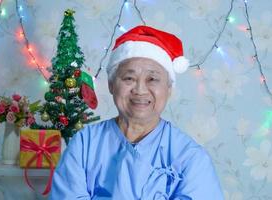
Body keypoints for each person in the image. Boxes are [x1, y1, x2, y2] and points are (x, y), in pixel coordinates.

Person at [50, 25, 224, 200]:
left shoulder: (190, 157)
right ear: (111, 85)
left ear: (169, 89)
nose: (140, 90)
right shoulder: (84, 144)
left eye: (152, 79)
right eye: (129, 78)